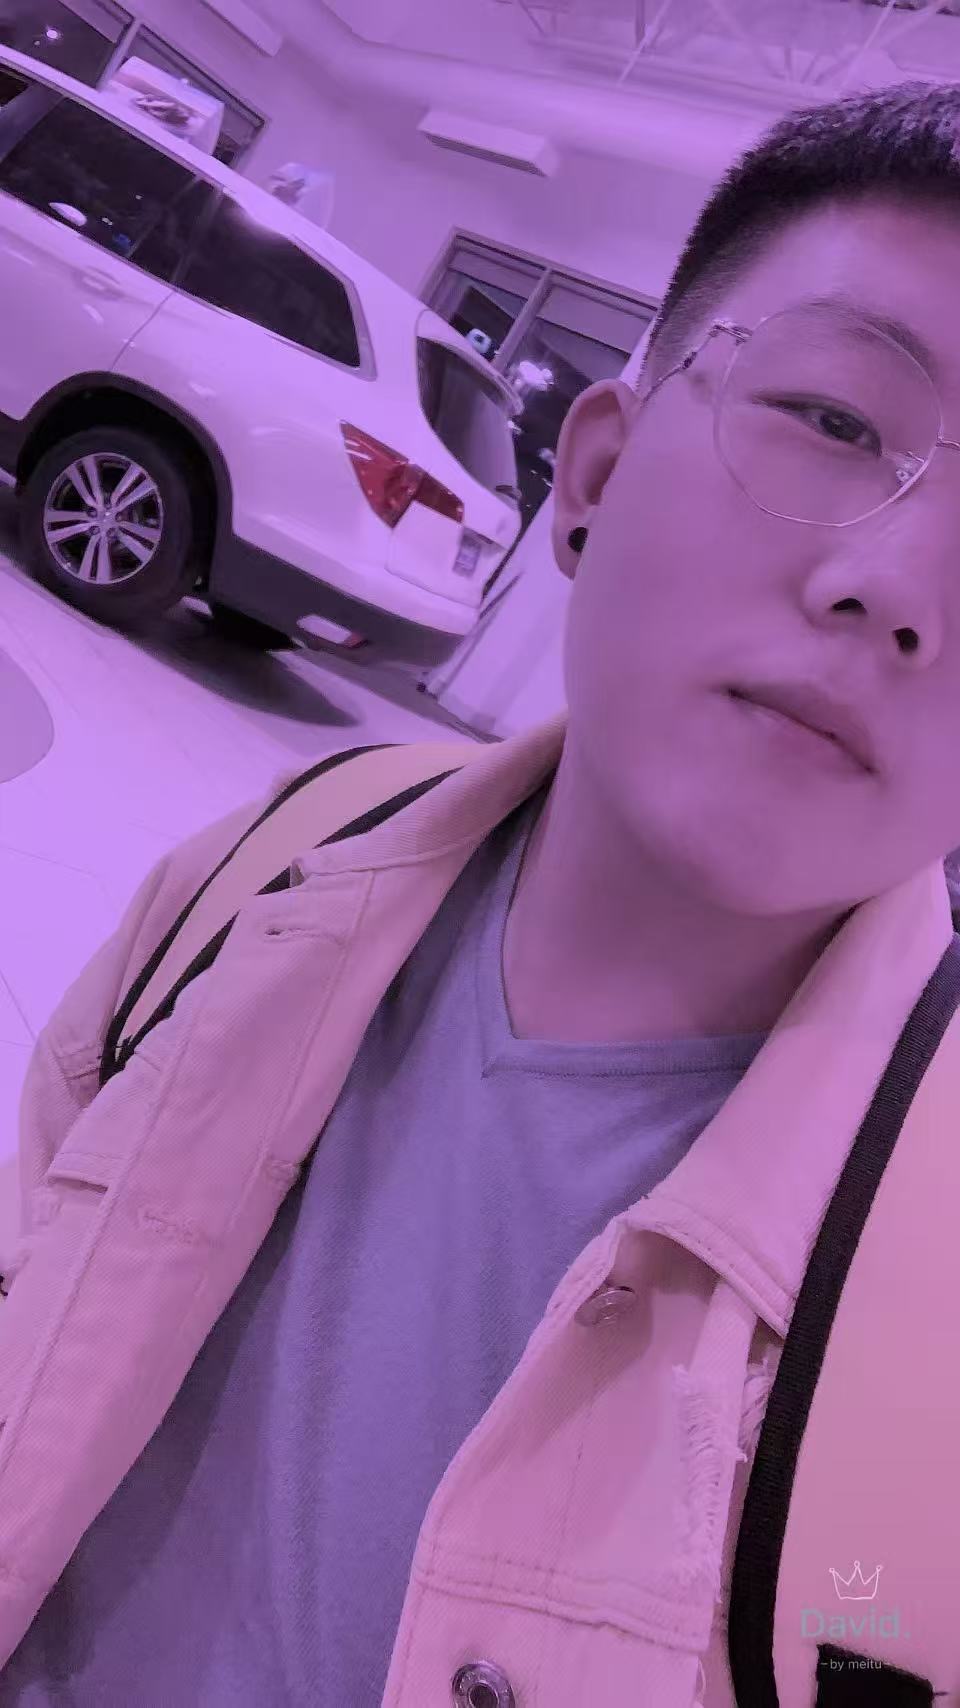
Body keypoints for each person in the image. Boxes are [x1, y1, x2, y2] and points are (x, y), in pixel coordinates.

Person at [1, 78, 960, 1708]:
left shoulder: (926, 1305)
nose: (897, 587)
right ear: (593, 476)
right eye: (837, 418)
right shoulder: (271, 866)